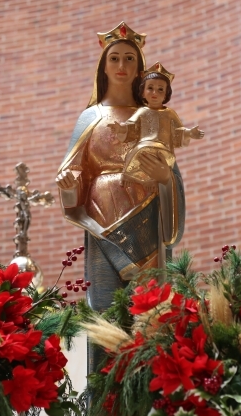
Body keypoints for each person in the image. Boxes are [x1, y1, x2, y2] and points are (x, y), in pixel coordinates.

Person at [55, 22, 186, 376]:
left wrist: (164, 180)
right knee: (106, 312)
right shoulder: (90, 117)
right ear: (104, 66)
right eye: (114, 57)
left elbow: (170, 169)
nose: (122, 65)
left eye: (130, 58)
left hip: (148, 215)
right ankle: (105, 400)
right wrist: (69, 182)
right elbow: (73, 177)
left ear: (141, 68)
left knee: (153, 313)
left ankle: (151, 393)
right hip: (104, 221)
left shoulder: (155, 118)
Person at [108, 62, 204, 188]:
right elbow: (132, 127)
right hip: (144, 147)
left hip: (163, 151)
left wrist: (189, 133)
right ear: (142, 92)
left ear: (166, 95)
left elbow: (177, 132)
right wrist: (121, 128)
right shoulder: (142, 112)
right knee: (135, 156)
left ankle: (146, 181)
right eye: (150, 88)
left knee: (156, 165)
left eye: (160, 89)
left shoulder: (169, 113)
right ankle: (130, 178)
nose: (155, 92)